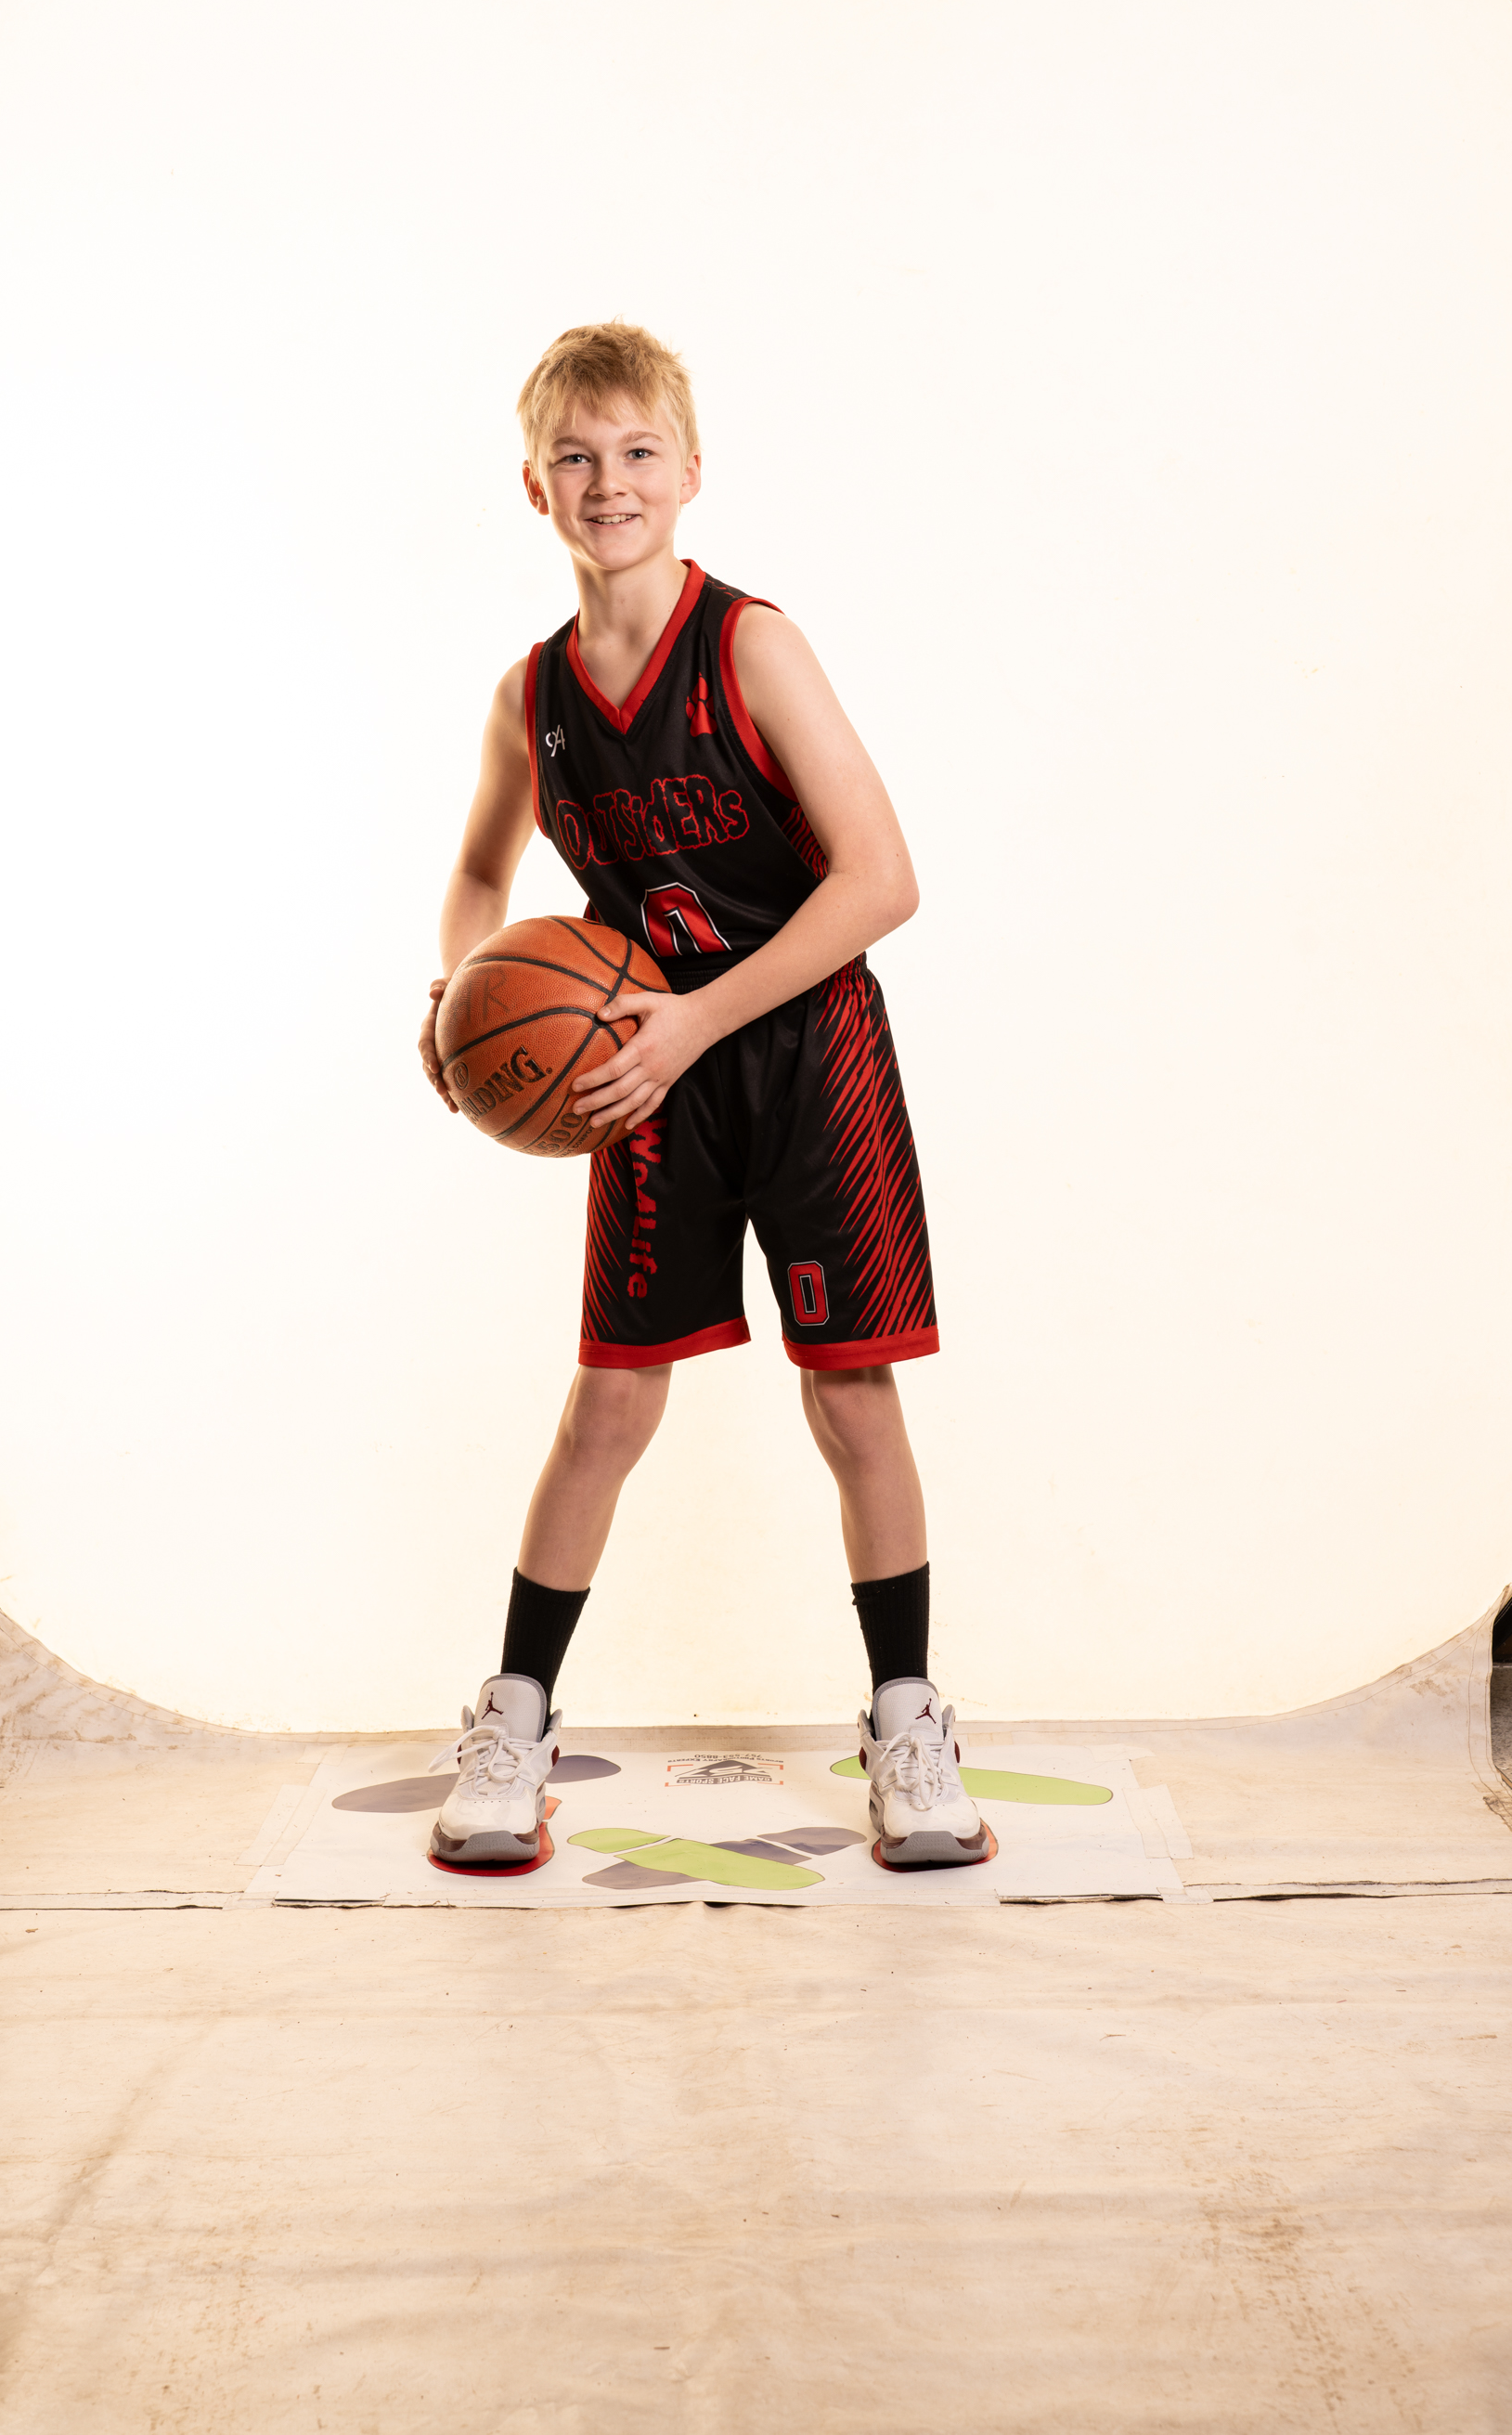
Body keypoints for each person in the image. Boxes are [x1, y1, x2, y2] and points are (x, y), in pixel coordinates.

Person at [418, 320, 989, 1876]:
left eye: (636, 452)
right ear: (534, 487)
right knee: (609, 1401)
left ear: (688, 472)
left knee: (850, 1393)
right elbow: (477, 869)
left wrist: (693, 1022)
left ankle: (908, 1724)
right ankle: (515, 1722)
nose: (608, 482)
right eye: (576, 457)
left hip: (805, 1050)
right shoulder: (531, 695)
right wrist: (458, 1001)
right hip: (635, 1066)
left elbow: (881, 880)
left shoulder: (749, 648)